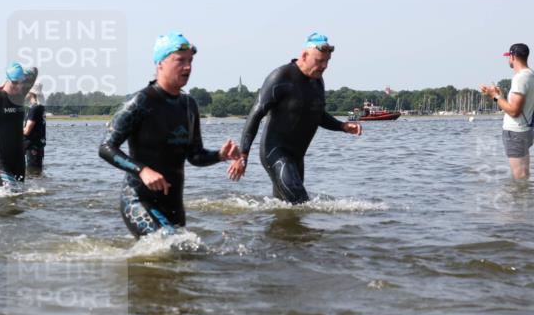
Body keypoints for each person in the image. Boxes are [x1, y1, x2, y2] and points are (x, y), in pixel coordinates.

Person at [99, 32, 240, 237]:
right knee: (174, 247)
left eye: (190, 60)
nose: (188, 66)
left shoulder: (188, 105)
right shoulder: (140, 102)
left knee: (182, 258)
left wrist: (220, 155)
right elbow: (105, 148)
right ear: (160, 64)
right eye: (180, 60)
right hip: (139, 200)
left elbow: (195, 155)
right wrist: (143, 170)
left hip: (173, 204)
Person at [228, 32, 362, 203]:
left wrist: (341, 126)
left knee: (286, 208)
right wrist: (243, 155)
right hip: (276, 153)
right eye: (319, 61)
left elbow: (317, 114)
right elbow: (255, 115)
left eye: (327, 61)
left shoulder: (317, 81)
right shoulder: (281, 77)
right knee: (301, 203)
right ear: (304, 55)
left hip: (297, 157)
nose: (324, 66)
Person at [480, 43, 533, 180]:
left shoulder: (520, 78)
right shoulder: (530, 75)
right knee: (524, 178)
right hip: (526, 130)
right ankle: (524, 200)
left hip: (515, 132)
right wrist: (500, 96)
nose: (508, 60)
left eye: (508, 56)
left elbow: (514, 111)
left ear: (513, 57)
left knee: (520, 179)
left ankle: (520, 201)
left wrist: (495, 96)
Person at [23, 84, 47, 176]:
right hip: (38, 145)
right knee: (37, 173)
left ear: (31, 93)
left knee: (32, 174)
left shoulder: (34, 108)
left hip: (33, 146)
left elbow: (27, 130)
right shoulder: (41, 107)